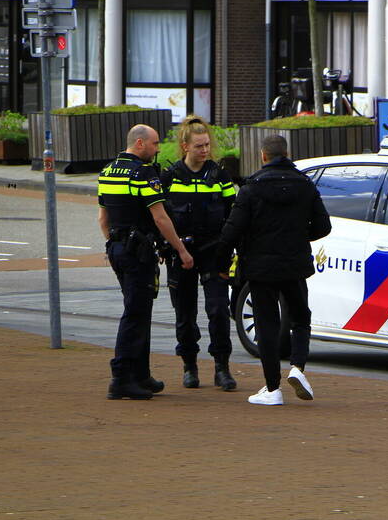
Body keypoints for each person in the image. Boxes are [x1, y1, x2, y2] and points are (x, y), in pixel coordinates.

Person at [219, 134, 330, 406]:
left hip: (260, 266)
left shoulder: (251, 188)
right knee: (300, 317)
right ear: (286, 153)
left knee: (266, 324)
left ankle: (272, 389)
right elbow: (323, 226)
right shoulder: (305, 185)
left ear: (263, 156)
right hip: (294, 264)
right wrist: (299, 236)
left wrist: (221, 262)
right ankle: (298, 368)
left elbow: (232, 231)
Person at [98, 124, 193, 400]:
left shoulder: (108, 171)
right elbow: (160, 217)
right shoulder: (142, 173)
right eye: (154, 144)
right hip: (137, 251)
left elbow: (103, 218)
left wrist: (114, 245)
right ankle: (121, 378)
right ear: (139, 143)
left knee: (139, 309)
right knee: (135, 313)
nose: (157, 148)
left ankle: (141, 374)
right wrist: (181, 251)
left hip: (117, 248)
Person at [161, 115, 238, 391]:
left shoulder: (219, 176)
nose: (204, 150)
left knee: (218, 310)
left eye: (207, 145)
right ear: (185, 146)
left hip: (213, 252)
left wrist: (230, 250)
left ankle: (222, 368)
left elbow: (234, 214)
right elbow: (159, 216)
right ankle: (189, 366)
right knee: (185, 312)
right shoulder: (169, 177)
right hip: (180, 253)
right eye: (198, 146)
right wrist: (167, 247)